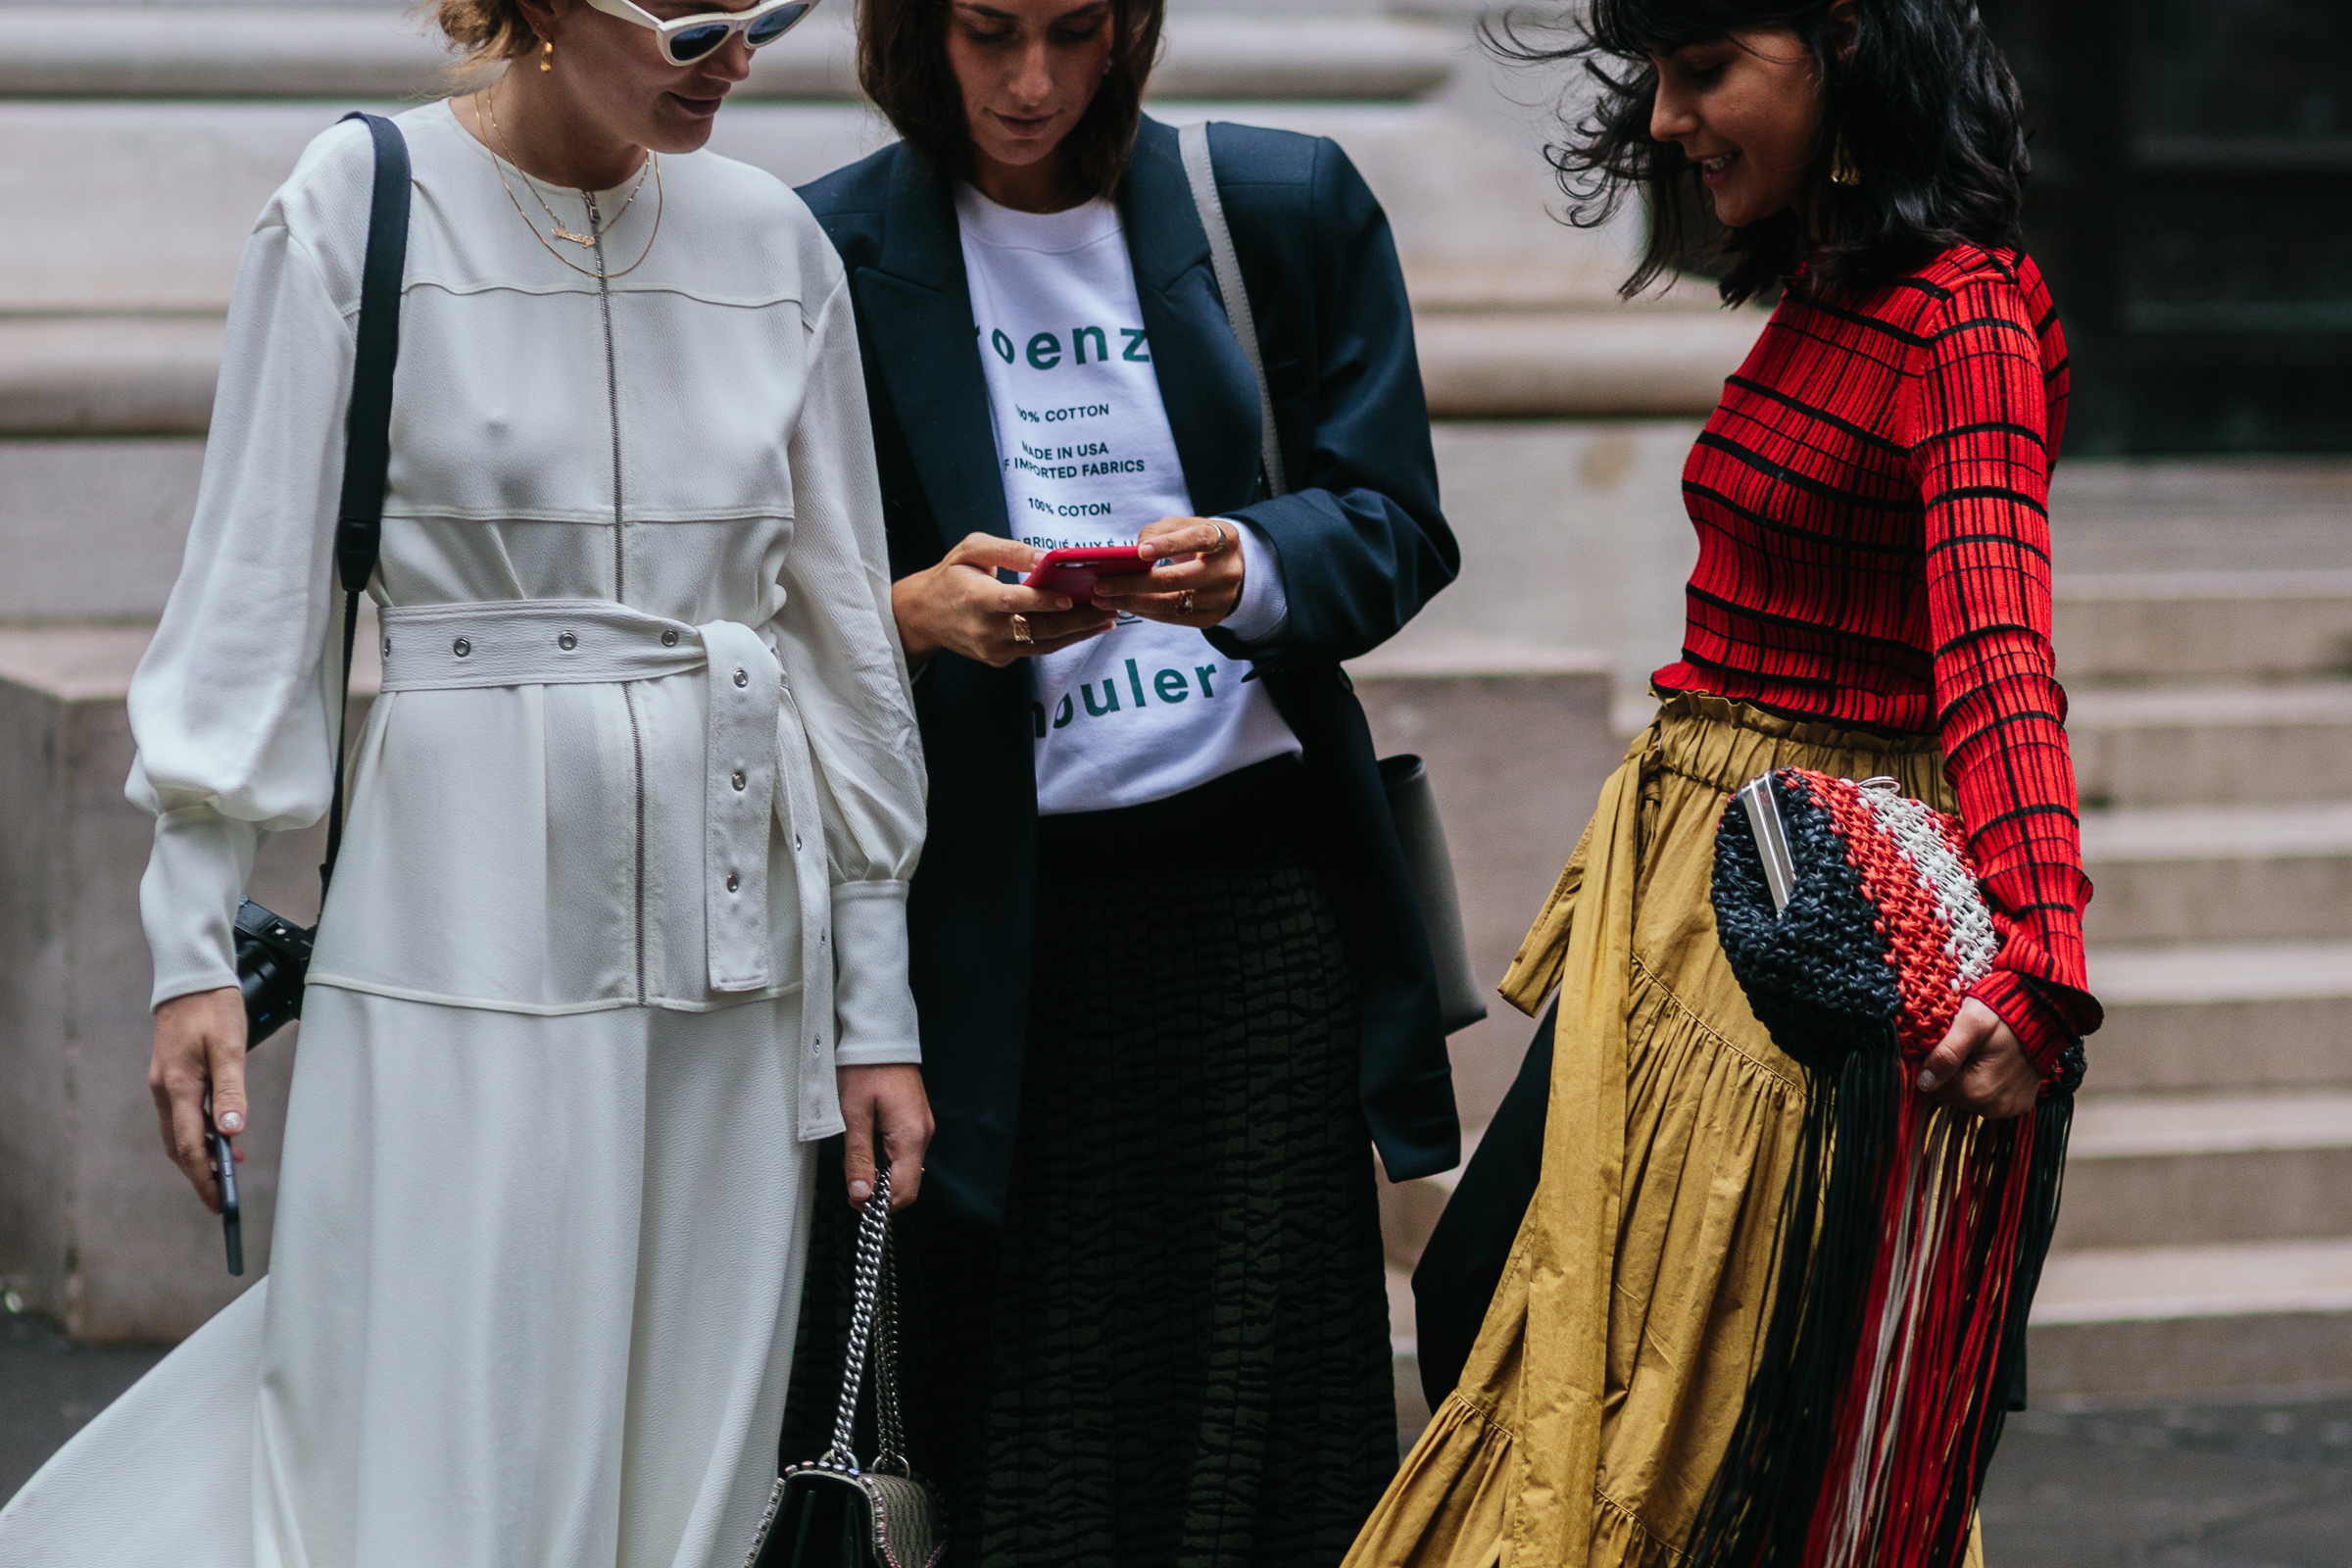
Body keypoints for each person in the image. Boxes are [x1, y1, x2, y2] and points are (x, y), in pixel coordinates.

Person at [0, 1, 933, 1562]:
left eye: (766, 16)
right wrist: (189, 948)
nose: (739, 57)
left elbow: (838, 638)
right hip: (458, 917)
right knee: (436, 1406)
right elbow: (250, 601)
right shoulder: (358, 205)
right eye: (696, 20)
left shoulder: (775, 241)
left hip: (734, 946)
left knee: (692, 1440)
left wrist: (875, 1003)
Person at [1348, 1, 2102, 1563]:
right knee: (1523, 1304)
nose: (1669, 124)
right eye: (1659, 81)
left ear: (1843, 50)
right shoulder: (1834, 290)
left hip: (1799, 926)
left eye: (1703, 74)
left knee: (1699, 1398)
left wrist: (2044, 974)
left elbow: (1997, 646)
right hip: (1696, 884)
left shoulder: (1963, 314)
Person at [775, 0, 1462, 1560]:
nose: (1032, 83)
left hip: (1253, 905)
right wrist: (916, 616)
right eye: (988, 33)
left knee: (1270, 1410)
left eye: (1075, 32)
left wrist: (1256, 562)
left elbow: (1396, 521)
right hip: (992, 934)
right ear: (915, 31)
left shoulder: (1275, 203)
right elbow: (764, 599)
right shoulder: (821, 252)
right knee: (1026, 1416)